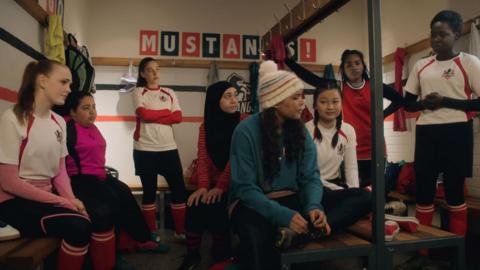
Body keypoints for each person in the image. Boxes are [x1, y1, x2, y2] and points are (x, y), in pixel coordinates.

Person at [229, 61, 370, 270]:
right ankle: (295, 233)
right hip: (255, 204)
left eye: (302, 97)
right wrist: (284, 216)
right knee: (255, 236)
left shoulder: (300, 131)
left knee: (363, 197)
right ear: (276, 101)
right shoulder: (245, 131)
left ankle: (300, 234)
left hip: (293, 199)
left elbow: (310, 177)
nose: (302, 103)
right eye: (295, 98)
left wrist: (314, 206)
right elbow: (245, 189)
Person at [0, 60, 91, 270]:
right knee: (79, 226)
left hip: (42, 199)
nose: (69, 89)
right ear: (42, 81)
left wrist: (71, 199)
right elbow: (9, 182)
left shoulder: (59, 122)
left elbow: (59, 171)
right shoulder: (13, 118)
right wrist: (61, 202)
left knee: (88, 214)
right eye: (64, 82)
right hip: (12, 201)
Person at [64, 91, 169, 268]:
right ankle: (114, 253)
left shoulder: (92, 127)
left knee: (124, 191)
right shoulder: (68, 129)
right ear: (73, 113)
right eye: (86, 108)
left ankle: (142, 239)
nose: (92, 112)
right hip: (81, 178)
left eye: (94, 107)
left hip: (100, 175)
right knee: (111, 201)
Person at [404, 10, 480, 237]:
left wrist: (444, 101)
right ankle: (421, 253)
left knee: (455, 193)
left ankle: (459, 254)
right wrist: (423, 104)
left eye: (442, 34)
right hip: (427, 132)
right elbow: (408, 104)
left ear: (457, 35)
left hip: (458, 132)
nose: (436, 39)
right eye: (433, 35)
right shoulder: (421, 65)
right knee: (424, 193)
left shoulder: (469, 62)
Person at [285, 50, 403, 188]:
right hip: (350, 149)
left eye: (357, 63)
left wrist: (381, 115)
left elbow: (399, 100)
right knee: (354, 191)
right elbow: (313, 79)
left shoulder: (375, 85)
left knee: (376, 193)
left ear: (363, 66)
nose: (354, 67)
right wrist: (290, 62)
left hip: (375, 148)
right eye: (349, 65)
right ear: (343, 69)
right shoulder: (339, 87)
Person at [179, 81, 245, 270]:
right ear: (215, 101)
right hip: (213, 182)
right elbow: (203, 156)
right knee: (194, 202)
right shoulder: (205, 126)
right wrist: (202, 187)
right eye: (228, 96)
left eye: (235, 95)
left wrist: (220, 187)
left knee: (217, 203)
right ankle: (192, 255)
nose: (234, 100)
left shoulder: (243, 121)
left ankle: (221, 252)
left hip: (237, 180)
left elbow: (237, 157)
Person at [132, 57, 187, 238]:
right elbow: (144, 114)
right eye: (150, 70)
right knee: (149, 192)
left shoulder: (169, 92)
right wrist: (165, 113)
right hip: (144, 149)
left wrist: (155, 115)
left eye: (157, 69)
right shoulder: (138, 91)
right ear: (142, 74)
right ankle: (151, 234)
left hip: (168, 148)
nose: (155, 73)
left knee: (178, 190)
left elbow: (178, 117)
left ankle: (180, 232)